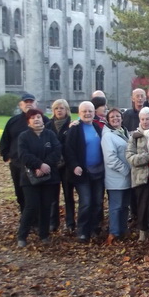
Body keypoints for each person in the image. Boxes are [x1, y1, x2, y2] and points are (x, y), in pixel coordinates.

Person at [16, 108, 61, 247]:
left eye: (39, 117)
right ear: (28, 121)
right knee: (31, 206)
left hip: (49, 177)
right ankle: (22, 236)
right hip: (30, 178)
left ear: (43, 119)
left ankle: (44, 234)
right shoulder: (24, 136)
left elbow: (57, 150)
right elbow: (23, 155)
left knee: (46, 206)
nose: (36, 119)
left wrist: (46, 165)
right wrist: (39, 165)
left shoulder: (50, 134)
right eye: (33, 118)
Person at [63, 101, 105, 243]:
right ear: (79, 113)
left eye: (90, 111)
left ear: (94, 113)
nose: (87, 114)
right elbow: (68, 149)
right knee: (86, 202)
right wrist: (74, 166)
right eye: (84, 111)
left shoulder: (97, 127)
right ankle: (82, 230)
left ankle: (94, 228)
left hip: (98, 171)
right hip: (82, 173)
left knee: (97, 202)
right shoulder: (75, 128)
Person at [126, 107, 149, 241]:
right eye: (142, 119)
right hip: (140, 177)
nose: (145, 121)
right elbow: (130, 157)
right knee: (142, 205)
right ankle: (142, 230)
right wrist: (147, 157)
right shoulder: (135, 136)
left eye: (147, 119)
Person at [0, 92, 36, 211]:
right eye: (26, 102)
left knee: (35, 193)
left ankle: (36, 218)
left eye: (31, 102)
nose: (29, 104)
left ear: (35, 104)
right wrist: (7, 156)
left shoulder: (43, 120)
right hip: (17, 163)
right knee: (20, 192)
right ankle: (24, 215)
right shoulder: (13, 121)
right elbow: (5, 140)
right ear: (21, 105)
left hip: (36, 163)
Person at [101, 108, 131, 244]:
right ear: (108, 119)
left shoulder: (124, 132)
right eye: (112, 117)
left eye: (118, 116)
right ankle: (114, 232)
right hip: (116, 178)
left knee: (124, 206)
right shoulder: (108, 136)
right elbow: (110, 158)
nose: (115, 119)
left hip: (127, 178)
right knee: (116, 206)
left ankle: (123, 230)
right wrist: (126, 170)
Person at [45, 98, 75, 233]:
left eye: (61, 108)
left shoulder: (72, 125)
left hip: (67, 166)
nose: (59, 111)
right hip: (53, 166)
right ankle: (53, 222)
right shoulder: (48, 126)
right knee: (53, 196)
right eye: (56, 108)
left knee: (68, 195)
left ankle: (70, 222)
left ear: (66, 110)